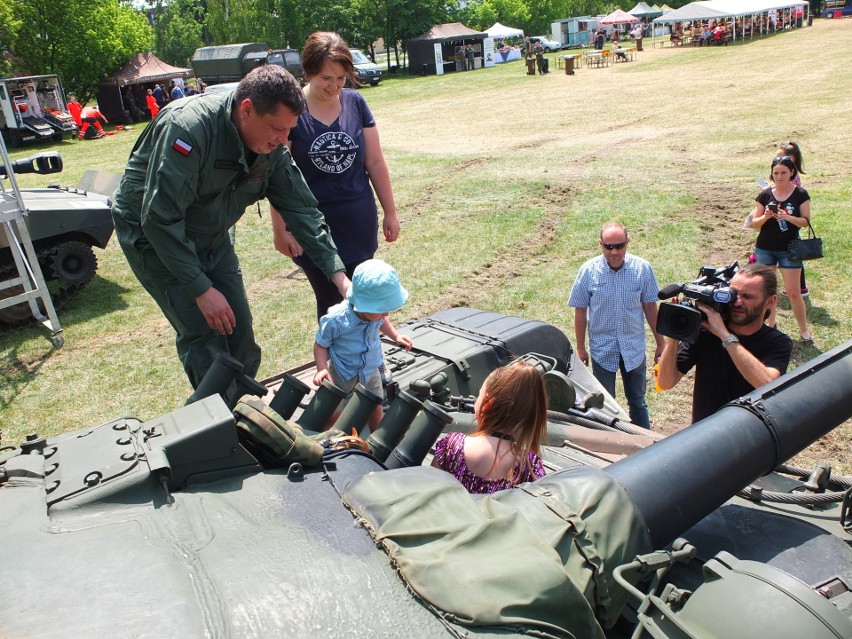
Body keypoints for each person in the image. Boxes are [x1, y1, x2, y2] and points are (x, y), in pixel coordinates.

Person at [112, 65, 349, 390]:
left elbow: (302, 211)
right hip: (153, 236)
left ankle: (244, 419)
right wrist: (201, 289)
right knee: (205, 336)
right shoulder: (189, 129)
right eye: (277, 129)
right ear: (247, 109)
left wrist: (339, 276)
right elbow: (159, 217)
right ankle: (220, 431)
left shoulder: (272, 147)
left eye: (289, 131)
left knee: (240, 338)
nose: (284, 140)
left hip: (211, 234)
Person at [271, 31, 400, 321]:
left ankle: (368, 360)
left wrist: (390, 212)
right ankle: (335, 363)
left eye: (341, 78)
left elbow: (375, 162)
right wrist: (281, 230)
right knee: (332, 303)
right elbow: (278, 175)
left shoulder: (356, 104)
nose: (334, 86)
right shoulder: (291, 109)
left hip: (358, 221)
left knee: (366, 300)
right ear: (308, 72)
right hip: (313, 228)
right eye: (326, 78)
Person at [656, 263, 793, 423]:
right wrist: (674, 335)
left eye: (747, 297)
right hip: (705, 433)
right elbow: (665, 382)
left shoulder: (778, 342)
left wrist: (724, 335)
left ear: (770, 301)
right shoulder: (705, 332)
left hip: (751, 435)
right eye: (733, 294)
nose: (737, 302)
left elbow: (766, 383)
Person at [567, 222, 664, 429]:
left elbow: (650, 307)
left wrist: (661, 343)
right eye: (608, 246)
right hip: (603, 349)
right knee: (605, 405)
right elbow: (580, 311)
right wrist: (581, 348)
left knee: (638, 402)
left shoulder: (642, 269)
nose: (614, 252)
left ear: (628, 243)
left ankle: (645, 443)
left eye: (619, 246)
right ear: (600, 244)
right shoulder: (588, 271)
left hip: (633, 348)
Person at [313, 259, 412, 431]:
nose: (386, 313)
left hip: (370, 370)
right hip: (342, 372)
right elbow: (321, 344)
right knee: (332, 413)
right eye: (381, 309)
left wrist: (396, 336)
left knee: (375, 407)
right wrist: (322, 369)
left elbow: (382, 321)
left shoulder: (375, 315)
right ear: (363, 305)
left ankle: (375, 442)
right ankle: (321, 439)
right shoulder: (337, 319)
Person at [431, 360, 548, 494]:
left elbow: (430, 491)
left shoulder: (452, 445)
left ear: (487, 402)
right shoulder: (528, 465)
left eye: (479, 394)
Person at [750, 155, 812, 342]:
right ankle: (770, 325)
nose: (779, 176)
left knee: (794, 292)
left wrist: (787, 217)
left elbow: (805, 222)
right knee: (768, 292)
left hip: (789, 250)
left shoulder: (800, 194)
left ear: (792, 172)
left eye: (783, 172)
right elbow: (754, 223)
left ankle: (803, 331)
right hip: (765, 249)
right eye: (775, 173)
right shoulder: (765, 194)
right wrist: (767, 217)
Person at [776, 142, 809, 298]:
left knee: (794, 254)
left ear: (791, 158)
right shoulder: (788, 173)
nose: (776, 158)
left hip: (788, 219)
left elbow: (789, 195)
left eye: (780, 156)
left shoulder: (792, 176)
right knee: (794, 254)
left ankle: (800, 288)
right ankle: (800, 288)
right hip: (786, 218)